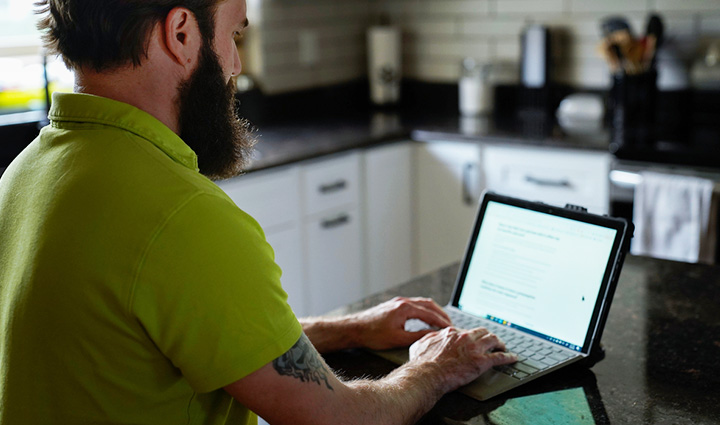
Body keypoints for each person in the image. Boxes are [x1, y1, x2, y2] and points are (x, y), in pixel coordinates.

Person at [0, 0, 517, 423]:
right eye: (234, 36)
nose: (236, 65)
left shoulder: (24, 176)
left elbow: (198, 341)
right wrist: (432, 369)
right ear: (181, 34)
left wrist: (350, 329)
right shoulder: (182, 215)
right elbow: (335, 419)